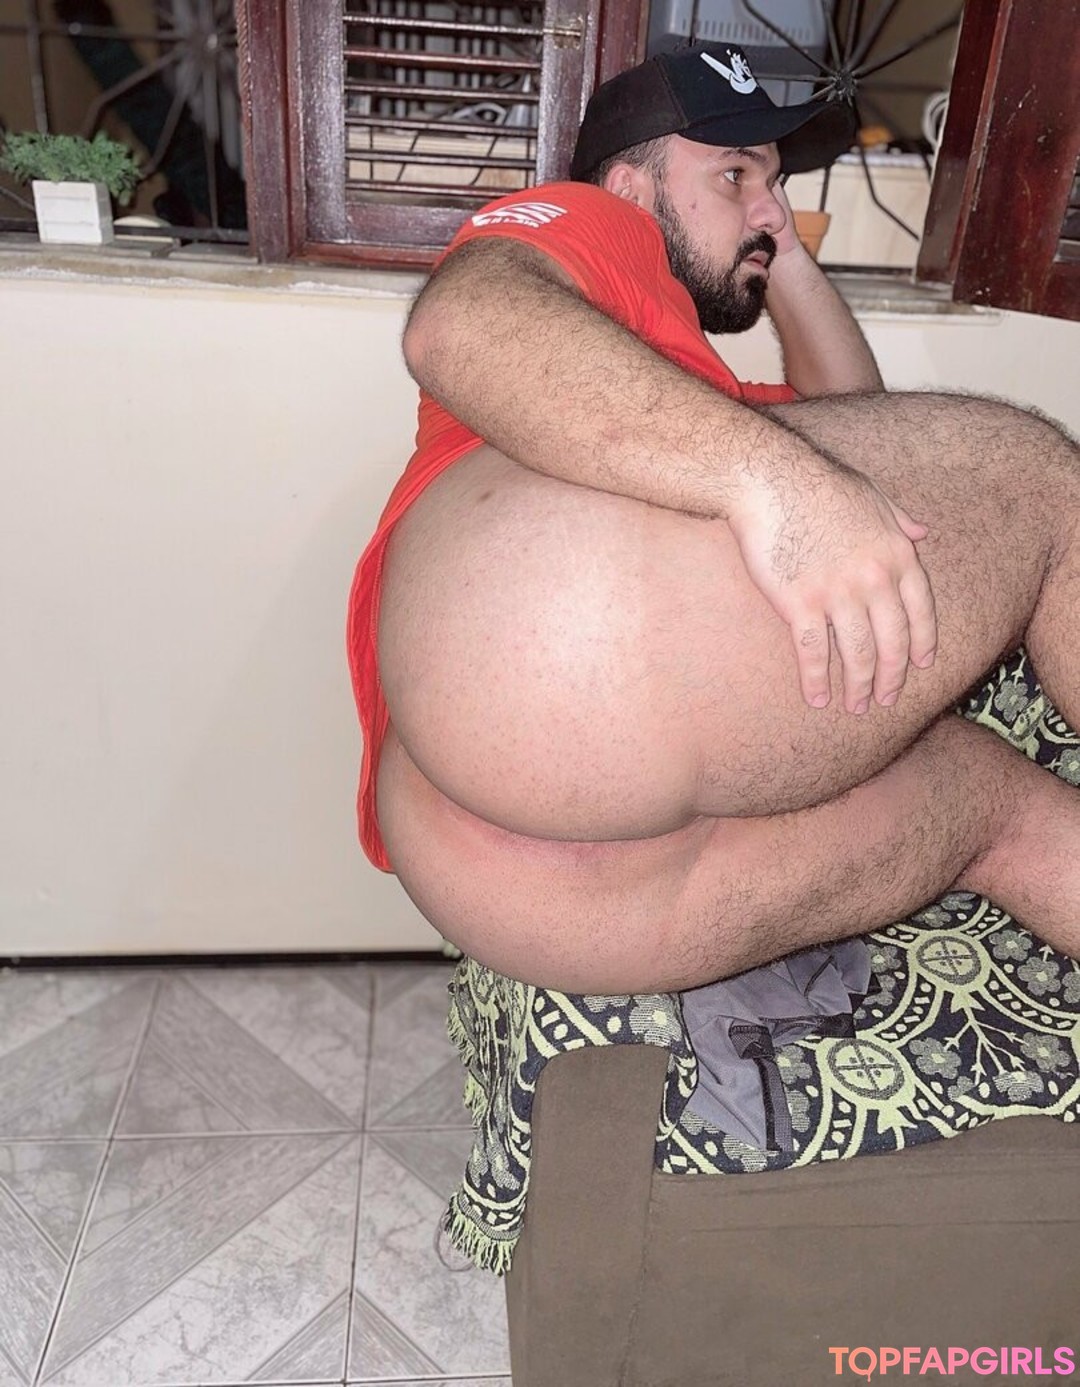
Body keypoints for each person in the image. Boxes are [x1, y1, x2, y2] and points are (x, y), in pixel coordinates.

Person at [347, 43, 1080, 995]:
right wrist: (770, 479)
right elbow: (459, 322)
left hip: (529, 897)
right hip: (544, 666)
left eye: (777, 182)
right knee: (1038, 479)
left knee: (988, 800)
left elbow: (858, 418)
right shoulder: (597, 224)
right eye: (733, 174)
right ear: (630, 186)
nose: (768, 206)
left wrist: (774, 244)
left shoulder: (686, 403)